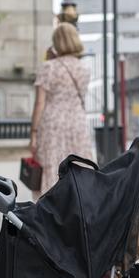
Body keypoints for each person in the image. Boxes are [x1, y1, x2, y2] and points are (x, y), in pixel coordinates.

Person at [30, 22, 94, 198]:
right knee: (78, 165)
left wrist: (33, 133)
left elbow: (39, 103)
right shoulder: (84, 68)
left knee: (52, 164)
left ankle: (50, 210)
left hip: (53, 124)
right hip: (77, 123)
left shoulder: (48, 67)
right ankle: (79, 203)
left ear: (56, 43)